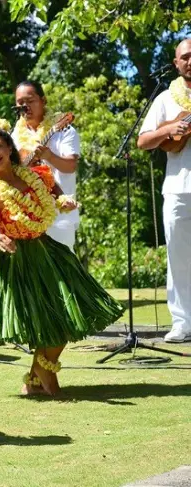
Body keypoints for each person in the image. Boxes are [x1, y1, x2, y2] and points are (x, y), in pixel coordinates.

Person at [0, 121, 124, 396]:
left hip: (47, 251)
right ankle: (44, 373)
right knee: (51, 319)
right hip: (17, 262)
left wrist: (65, 201)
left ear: (9, 148)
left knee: (68, 311)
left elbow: (56, 194)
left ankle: (36, 377)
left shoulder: (36, 176)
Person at [136, 38, 191, 343]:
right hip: (179, 189)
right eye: (186, 57)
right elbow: (143, 142)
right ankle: (182, 322)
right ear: (176, 63)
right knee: (178, 257)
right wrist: (169, 130)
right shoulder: (165, 99)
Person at [12, 80, 81, 249]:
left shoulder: (63, 130)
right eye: (20, 103)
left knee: (63, 271)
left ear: (43, 101)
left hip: (59, 214)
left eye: (30, 101)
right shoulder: (14, 136)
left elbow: (70, 166)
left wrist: (48, 155)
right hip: (27, 215)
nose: (25, 106)